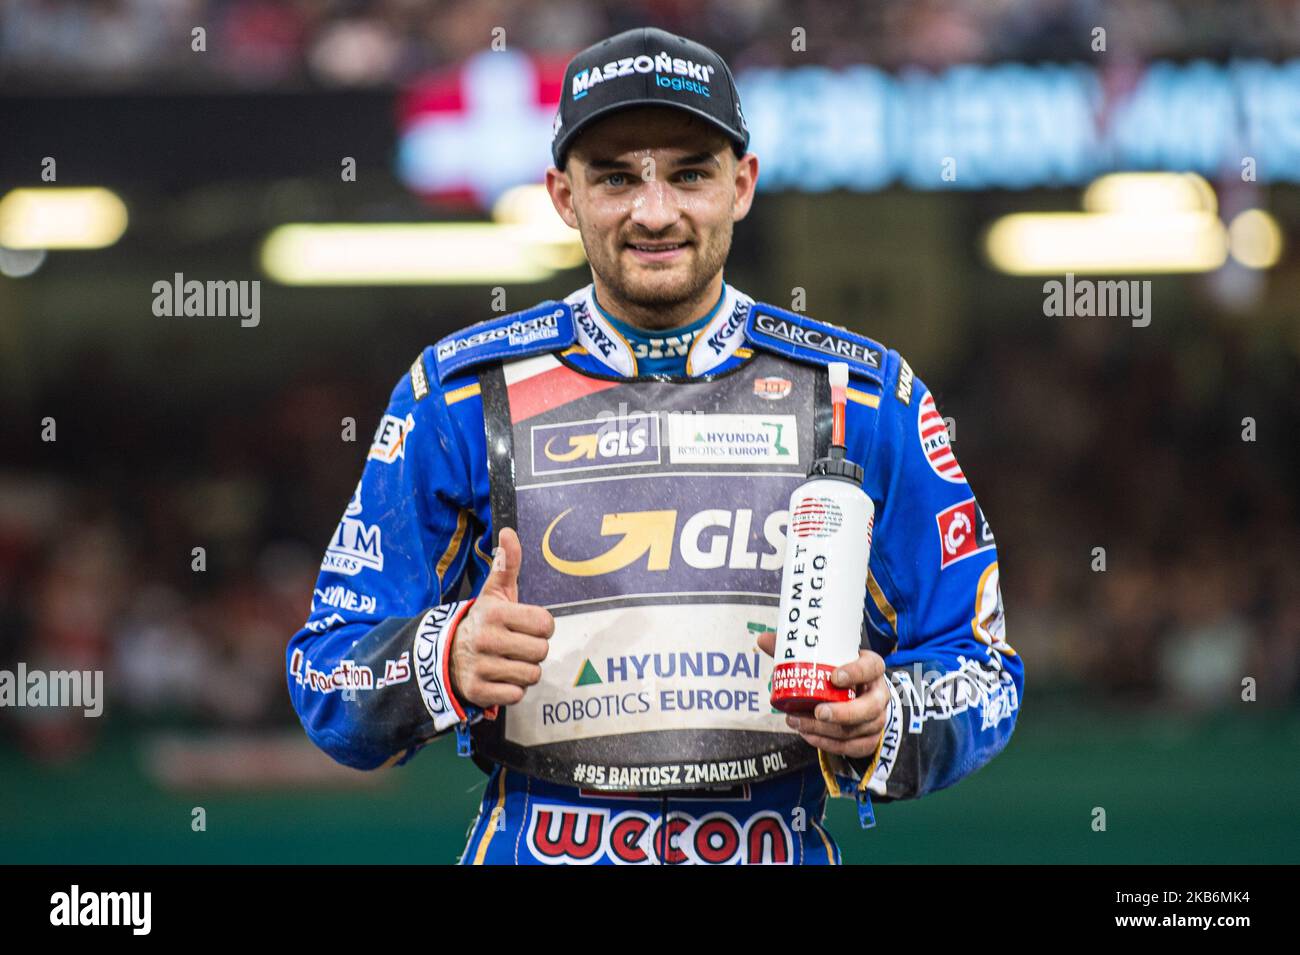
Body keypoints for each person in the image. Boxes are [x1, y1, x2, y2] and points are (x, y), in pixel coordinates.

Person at [287, 27, 1022, 865]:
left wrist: (890, 717)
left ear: (742, 185)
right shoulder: (455, 394)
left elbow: (985, 669)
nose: (655, 211)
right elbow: (326, 672)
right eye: (615, 177)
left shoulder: (866, 394)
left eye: (690, 173)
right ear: (563, 195)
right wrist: (443, 657)